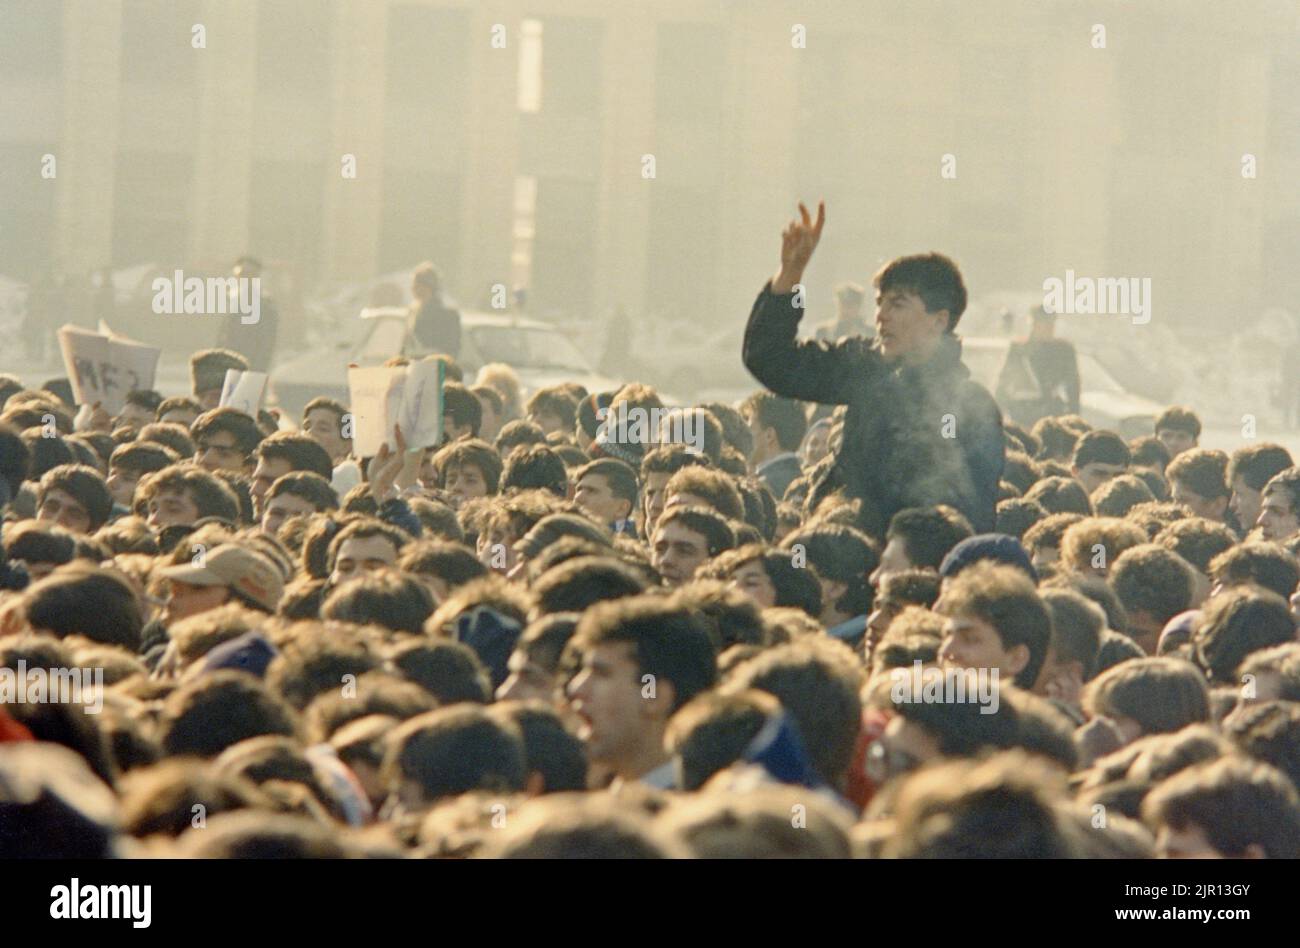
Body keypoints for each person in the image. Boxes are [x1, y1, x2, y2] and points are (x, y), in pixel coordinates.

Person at [742, 201, 1004, 538]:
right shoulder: (864, 367)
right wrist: (790, 276)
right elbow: (770, 360)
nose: (881, 316)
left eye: (897, 304)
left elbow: (972, 516)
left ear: (939, 320)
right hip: (839, 559)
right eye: (879, 303)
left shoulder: (971, 407)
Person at [995, 306, 1080, 427]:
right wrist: (997, 416)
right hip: (1023, 414)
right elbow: (1003, 383)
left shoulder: (1063, 350)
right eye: (1043, 324)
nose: (1048, 329)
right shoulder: (1018, 349)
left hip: (1052, 416)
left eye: (1050, 325)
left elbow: (1073, 386)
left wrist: (1073, 419)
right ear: (1033, 325)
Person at [216, 256, 280, 373]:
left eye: (249, 274)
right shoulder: (231, 300)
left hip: (249, 369)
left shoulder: (265, 306)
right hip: (227, 366)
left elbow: (266, 343)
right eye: (240, 274)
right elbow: (223, 336)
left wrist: (256, 371)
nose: (243, 278)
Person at [410, 263, 461, 358]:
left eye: (417, 285)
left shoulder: (447, 315)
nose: (413, 289)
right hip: (415, 366)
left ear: (428, 287)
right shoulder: (413, 312)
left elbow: (451, 349)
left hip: (437, 366)